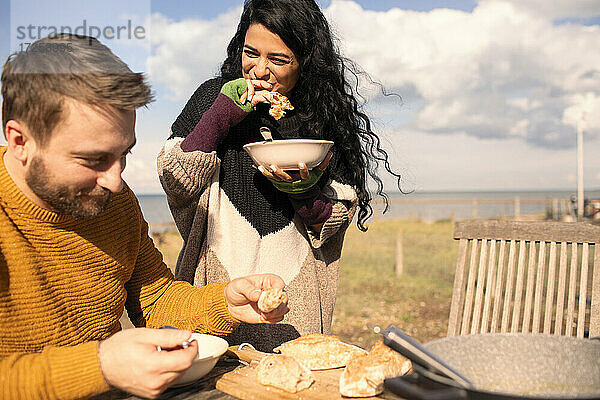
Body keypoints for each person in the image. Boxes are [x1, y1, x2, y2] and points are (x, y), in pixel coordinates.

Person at [0, 34, 288, 400]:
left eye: (125, 155)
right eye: (93, 160)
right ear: (21, 141)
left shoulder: (114, 203)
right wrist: (100, 366)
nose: (116, 181)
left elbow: (154, 300)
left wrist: (225, 303)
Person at [158, 0, 401, 351]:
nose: (259, 69)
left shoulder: (323, 114)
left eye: (278, 59)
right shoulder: (214, 98)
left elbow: (335, 218)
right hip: (213, 289)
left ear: (305, 62)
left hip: (293, 302)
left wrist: (305, 193)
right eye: (251, 53)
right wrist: (221, 117)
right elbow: (176, 181)